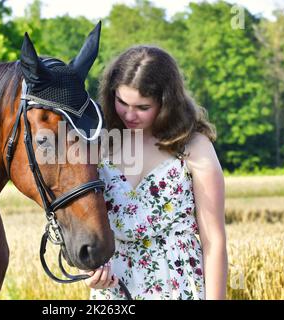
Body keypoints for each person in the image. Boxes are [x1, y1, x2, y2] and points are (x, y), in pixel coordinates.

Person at [80, 46, 228, 300]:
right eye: (122, 102)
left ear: (166, 102)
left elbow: (214, 241)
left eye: (142, 107)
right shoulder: (99, 143)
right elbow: (82, 226)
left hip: (179, 285)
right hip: (116, 290)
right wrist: (92, 270)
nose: (129, 114)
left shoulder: (194, 147)